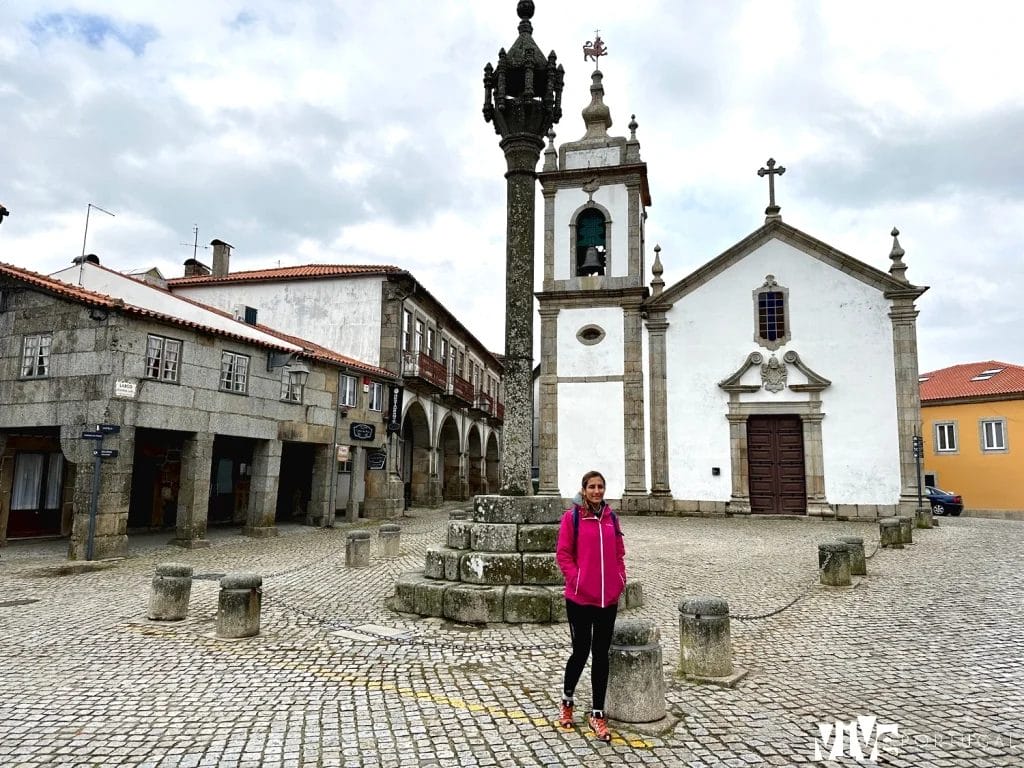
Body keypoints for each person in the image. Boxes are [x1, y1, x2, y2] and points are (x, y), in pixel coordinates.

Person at [554, 470, 626, 742]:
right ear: (584, 490)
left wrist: (620, 579)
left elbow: (619, 552)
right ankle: (567, 701)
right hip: (580, 599)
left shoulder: (611, 518)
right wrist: (578, 580)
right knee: (580, 652)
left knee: (601, 655)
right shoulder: (572, 518)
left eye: (600, 487)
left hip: (608, 599)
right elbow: (563, 554)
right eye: (592, 487)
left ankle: (597, 713)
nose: (596, 491)